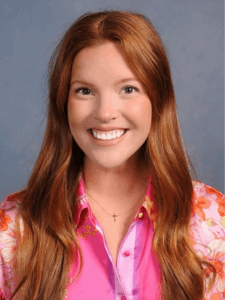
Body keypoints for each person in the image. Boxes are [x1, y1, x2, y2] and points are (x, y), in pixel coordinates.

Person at [0, 9, 224, 300]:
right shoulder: (14, 227)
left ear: (158, 100)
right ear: (62, 103)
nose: (105, 113)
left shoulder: (214, 220)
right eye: (84, 91)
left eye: (128, 89)